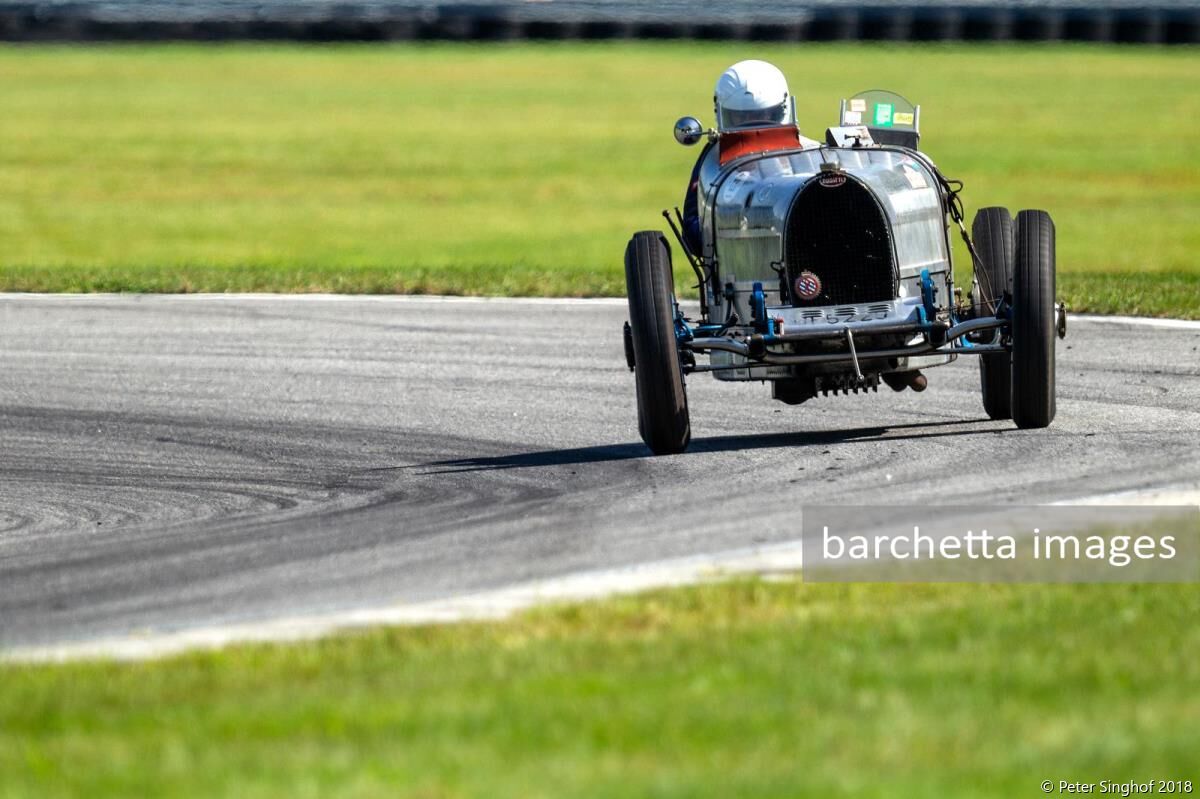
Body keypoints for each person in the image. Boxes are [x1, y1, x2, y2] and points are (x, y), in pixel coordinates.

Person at [682, 60, 815, 255]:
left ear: (782, 109)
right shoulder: (712, 157)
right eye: (740, 118)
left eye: (765, 115)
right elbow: (693, 229)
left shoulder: (811, 149)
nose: (753, 127)